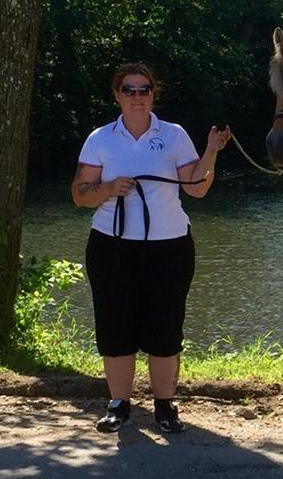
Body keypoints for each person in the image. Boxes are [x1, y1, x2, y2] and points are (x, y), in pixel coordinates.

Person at [71, 62, 231, 434]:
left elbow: (197, 187)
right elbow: (80, 195)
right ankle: (118, 405)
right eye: (129, 90)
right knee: (115, 327)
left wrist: (210, 152)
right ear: (117, 95)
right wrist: (109, 188)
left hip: (169, 247)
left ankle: (164, 406)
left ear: (153, 94)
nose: (137, 96)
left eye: (144, 89)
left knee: (164, 328)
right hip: (112, 247)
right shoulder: (100, 139)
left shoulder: (173, 136)